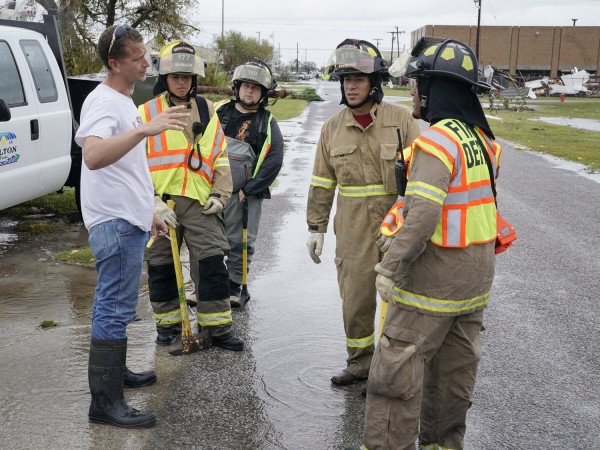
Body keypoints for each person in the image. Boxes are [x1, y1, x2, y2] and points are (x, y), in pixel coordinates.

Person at [361, 38, 502, 449]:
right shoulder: (481, 139)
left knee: (395, 374)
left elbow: (423, 214)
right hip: (473, 287)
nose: (412, 92)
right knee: (451, 377)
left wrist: (390, 267)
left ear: (435, 89)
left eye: (417, 83)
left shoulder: (436, 142)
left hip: (431, 284)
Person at [76, 24, 190, 428]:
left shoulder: (123, 99)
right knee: (113, 307)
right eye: (138, 57)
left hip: (129, 220)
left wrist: (150, 213)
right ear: (114, 63)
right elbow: (92, 156)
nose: (147, 62)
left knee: (119, 307)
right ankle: (105, 404)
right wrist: (145, 128)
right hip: (116, 223)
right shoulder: (105, 103)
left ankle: (117, 377)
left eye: (146, 55)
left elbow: (128, 170)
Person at [306, 39, 421, 386]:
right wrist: (316, 227)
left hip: (395, 228)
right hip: (352, 231)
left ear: (375, 82)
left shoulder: (402, 121)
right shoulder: (332, 128)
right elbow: (322, 182)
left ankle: (391, 373)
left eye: (358, 79)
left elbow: (418, 181)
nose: (351, 86)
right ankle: (360, 365)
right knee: (355, 301)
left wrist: (406, 228)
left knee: (399, 302)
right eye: (345, 79)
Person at [139, 40, 244, 352]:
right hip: (162, 202)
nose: (182, 81)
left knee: (212, 262)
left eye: (187, 77)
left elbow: (219, 155)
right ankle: (168, 326)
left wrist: (221, 194)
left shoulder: (207, 109)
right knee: (160, 266)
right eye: (176, 76)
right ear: (165, 79)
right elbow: (133, 164)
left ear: (194, 79)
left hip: (200, 201)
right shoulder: (146, 112)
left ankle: (218, 328)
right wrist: (151, 202)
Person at [213, 59, 284, 307]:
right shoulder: (220, 111)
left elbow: (274, 159)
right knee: (208, 239)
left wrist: (250, 189)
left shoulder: (267, 121)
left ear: (263, 92)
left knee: (240, 242)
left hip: (243, 195)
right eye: (246, 86)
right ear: (237, 87)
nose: (250, 91)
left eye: (255, 87)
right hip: (213, 192)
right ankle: (210, 285)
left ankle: (235, 286)